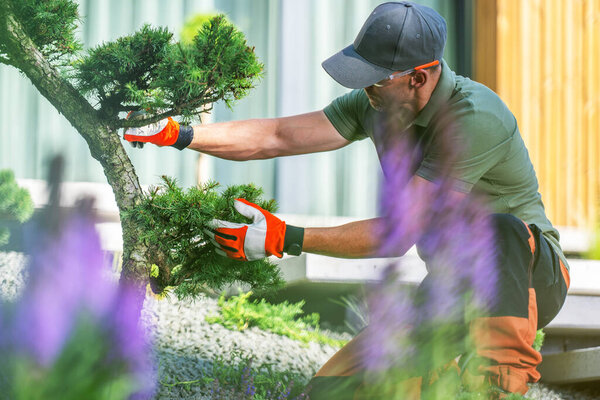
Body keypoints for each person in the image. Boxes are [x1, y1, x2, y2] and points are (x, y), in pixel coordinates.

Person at [124, 2, 570, 398]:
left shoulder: (474, 118)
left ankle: (496, 385)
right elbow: (277, 136)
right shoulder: (378, 104)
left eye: (375, 77)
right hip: (450, 287)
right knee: (334, 389)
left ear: (419, 77)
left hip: (529, 278)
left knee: (496, 229)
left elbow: (397, 234)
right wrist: (181, 133)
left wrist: (285, 237)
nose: (366, 88)